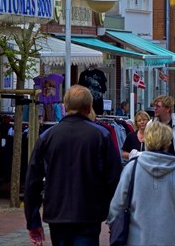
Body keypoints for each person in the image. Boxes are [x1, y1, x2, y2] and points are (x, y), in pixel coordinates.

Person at [24, 85, 122, 246]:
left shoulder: (47, 137)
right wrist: (114, 215)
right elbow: (114, 179)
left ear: (65, 106)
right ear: (89, 107)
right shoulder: (101, 135)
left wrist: (33, 221)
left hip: (57, 213)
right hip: (89, 213)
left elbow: (32, 181)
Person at [107, 121, 175, 246]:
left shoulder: (132, 168)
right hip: (170, 240)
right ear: (168, 142)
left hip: (137, 240)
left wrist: (114, 227)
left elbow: (117, 205)